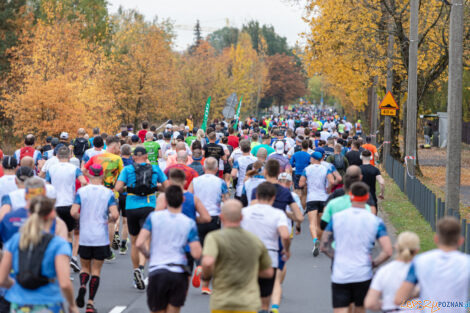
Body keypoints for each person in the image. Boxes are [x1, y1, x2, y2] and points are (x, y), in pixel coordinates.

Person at [321, 182, 393, 313]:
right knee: (360, 308)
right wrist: (374, 263)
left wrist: (336, 257)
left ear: (350, 197)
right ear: (366, 198)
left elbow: (324, 246)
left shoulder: (337, 218)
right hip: (363, 274)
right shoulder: (375, 221)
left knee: (340, 309)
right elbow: (388, 251)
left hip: (340, 273)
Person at [0, 195, 78, 313]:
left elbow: (2, 279)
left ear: (29, 214)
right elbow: (65, 284)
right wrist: (72, 305)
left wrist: (16, 284)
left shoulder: (15, 240)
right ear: (52, 214)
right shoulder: (58, 244)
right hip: (49, 303)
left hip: (19, 303)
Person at [136, 185, 202, 313]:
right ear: (182, 200)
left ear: (165, 201)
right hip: (178, 272)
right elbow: (197, 252)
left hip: (157, 270)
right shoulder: (189, 223)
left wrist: (148, 255)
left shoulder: (153, 218)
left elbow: (139, 243)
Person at [201, 199, 274, 313]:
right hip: (248, 302)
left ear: (221, 217)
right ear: (241, 217)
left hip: (222, 302)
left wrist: (206, 276)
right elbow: (268, 272)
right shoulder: (254, 240)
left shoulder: (214, 238)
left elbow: (207, 262)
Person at [115, 146, 168, 290]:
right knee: (146, 240)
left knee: (134, 241)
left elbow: (118, 187)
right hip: (149, 206)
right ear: (146, 157)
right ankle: (141, 268)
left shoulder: (127, 170)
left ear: (133, 157)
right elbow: (167, 186)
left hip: (131, 207)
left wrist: (128, 188)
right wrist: (155, 188)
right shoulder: (155, 169)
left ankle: (134, 272)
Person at [395, 217, 470, 313]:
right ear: (461, 241)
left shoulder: (420, 261)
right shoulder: (467, 263)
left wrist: (420, 292)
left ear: (436, 239)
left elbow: (399, 299)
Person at [71, 164, 119, 313]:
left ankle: (83, 285)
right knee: (96, 270)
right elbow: (115, 214)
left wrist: (81, 218)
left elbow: (73, 212)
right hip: (100, 237)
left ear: (90, 176)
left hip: (85, 236)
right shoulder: (108, 193)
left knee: (85, 267)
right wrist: (109, 219)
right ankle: (90, 303)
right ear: (102, 176)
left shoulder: (81, 191)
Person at [241, 182, 290, 313]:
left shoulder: (244, 212)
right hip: (269, 256)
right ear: (273, 197)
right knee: (265, 298)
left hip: (247, 255)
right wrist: (286, 249)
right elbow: (285, 235)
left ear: (256, 195)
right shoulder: (278, 214)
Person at [188, 157, 229, 294]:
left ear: (203, 167)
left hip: (198, 217)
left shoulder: (195, 181)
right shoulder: (221, 182)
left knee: (197, 246)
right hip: (214, 218)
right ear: (217, 169)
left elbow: (188, 197)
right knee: (211, 251)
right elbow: (227, 200)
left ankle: (199, 265)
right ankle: (205, 285)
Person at [364, 231, 420, 312]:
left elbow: (370, 303)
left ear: (396, 246)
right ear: (417, 250)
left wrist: (386, 304)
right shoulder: (423, 270)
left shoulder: (384, 271)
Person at [299, 151, 334, 257]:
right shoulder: (326, 169)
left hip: (312, 198)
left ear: (313, 159)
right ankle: (320, 242)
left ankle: (315, 240)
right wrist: (328, 189)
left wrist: (305, 184)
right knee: (320, 224)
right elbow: (332, 181)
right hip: (323, 198)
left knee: (312, 223)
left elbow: (301, 183)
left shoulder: (307, 169)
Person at [290, 140, 311, 207]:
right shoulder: (309, 155)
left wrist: (295, 165)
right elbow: (310, 165)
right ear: (308, 147)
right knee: (305, 193)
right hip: (305, 175)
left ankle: (298, 207)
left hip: (297, 173)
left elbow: (291, 163)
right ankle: (303, 208)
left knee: (297, 191)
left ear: (301, 146)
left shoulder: (295, 154)